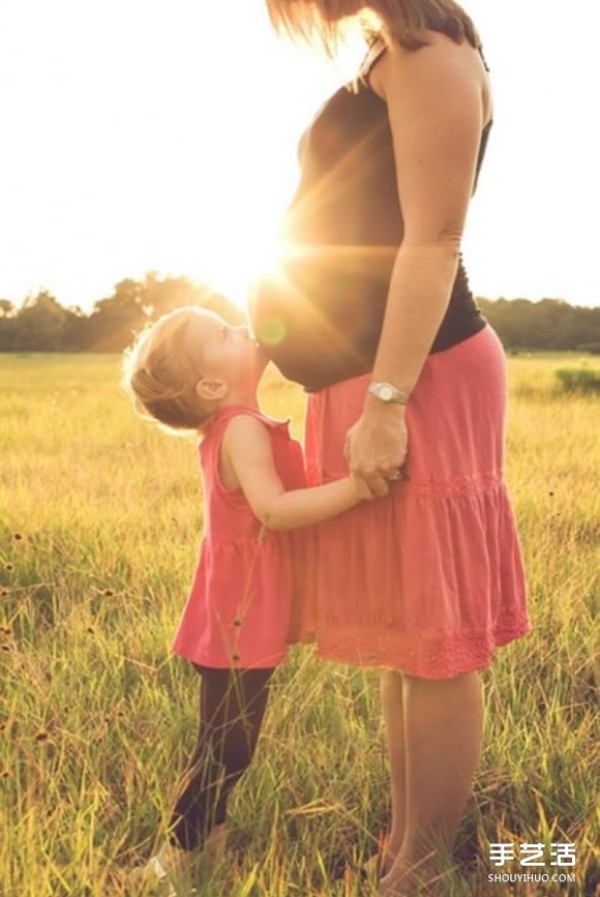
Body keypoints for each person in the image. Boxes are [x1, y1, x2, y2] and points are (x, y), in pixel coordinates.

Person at [250, 1, 530, 894]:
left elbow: (435, 237)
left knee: (438, 640)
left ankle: (426, 872)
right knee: (410, 637)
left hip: (422, 376)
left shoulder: (434, 51)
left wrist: (385, 399)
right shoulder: (391, 50)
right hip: (384, 377)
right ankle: (408, 856)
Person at [120, 305, 367, 895]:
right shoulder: (240, 427)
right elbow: (275, 510)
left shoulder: (239, 420)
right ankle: (173, 859)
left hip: (239, 599)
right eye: (225, 333)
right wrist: (357, 488)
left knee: (226, 737)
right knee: (229, 745)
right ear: (210, 384)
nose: (244, 328)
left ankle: (208, 848)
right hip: (241, 607)